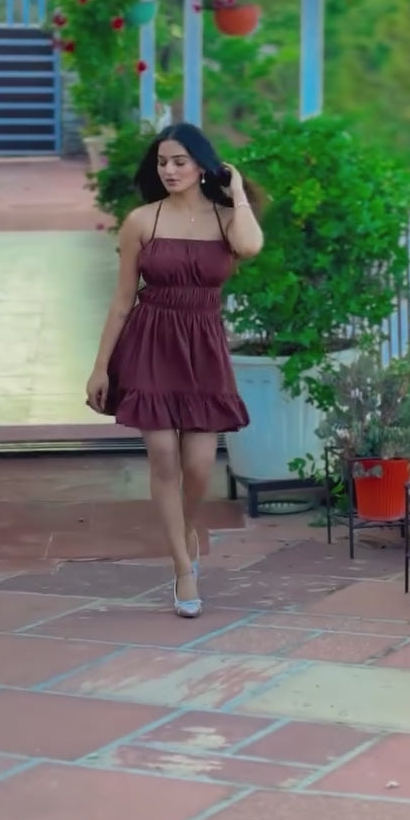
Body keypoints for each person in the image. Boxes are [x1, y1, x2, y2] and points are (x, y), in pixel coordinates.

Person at [86, 122, 264, 618]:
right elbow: (122, 300)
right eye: (162, 162)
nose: (169, 170)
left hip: (203, 346)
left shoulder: (227, 219)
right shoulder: (141, 220)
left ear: (203, 164)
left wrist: (236, 190)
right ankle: (183, 567)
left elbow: (250, 247)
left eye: (180, 161)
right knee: (164, 455)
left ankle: (185, 527)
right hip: (151, 340)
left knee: (201, 465)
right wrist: (100, 368)